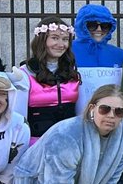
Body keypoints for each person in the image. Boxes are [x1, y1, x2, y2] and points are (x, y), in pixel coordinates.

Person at [22, 16, 81, 144]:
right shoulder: (25, 73)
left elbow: (81, 114)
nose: (61, 45)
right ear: (42, 40)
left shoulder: (73, 73)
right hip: (36, 145)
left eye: (65, 39)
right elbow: (19, 118)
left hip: (68, 143)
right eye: (54, 38)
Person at [71, 5, 123, 115]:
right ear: (81, 25)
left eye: (105, 26)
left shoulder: (120, 55)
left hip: (110, 118)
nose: (99, 30)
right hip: (73, 119)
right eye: (92, 25)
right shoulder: (67, 51)